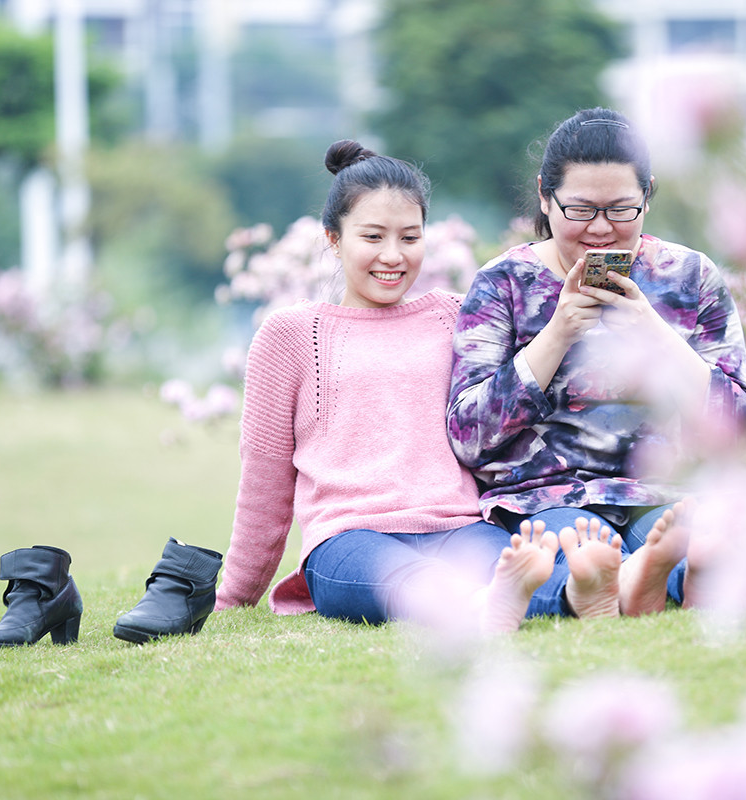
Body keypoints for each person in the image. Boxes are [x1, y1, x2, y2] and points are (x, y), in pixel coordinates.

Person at [212, 140, 559, 635]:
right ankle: (476, 607)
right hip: (349, 539)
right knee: (410, 582)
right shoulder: (289, 336)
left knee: (528, 572)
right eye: (372, 237)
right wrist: (233, 598)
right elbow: (264, 485)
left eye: (410, 238)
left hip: (458, 524)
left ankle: (624, 586)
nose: (392, 256)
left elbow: (508, 410)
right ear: (333, 238)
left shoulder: (457, 317)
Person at [447, 108, 746, 620]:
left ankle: (674, 574)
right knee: (563, 559)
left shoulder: (691, 277)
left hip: (664, 486)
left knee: (695, 538)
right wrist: (556, 334)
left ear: (648, 196)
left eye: (621, 210)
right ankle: (632, 582)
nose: (600, 230)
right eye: (580, 210)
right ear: (545, 198)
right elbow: (468, 435)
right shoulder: (503, 282)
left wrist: (657, 338)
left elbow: (741, 427)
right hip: (545, 494)